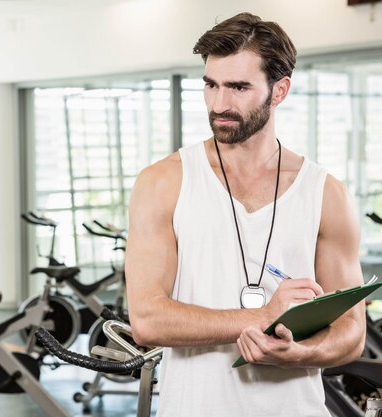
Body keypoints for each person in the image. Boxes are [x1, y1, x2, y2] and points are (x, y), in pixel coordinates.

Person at [125, 12, 366, 417]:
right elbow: (147, 319)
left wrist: (298, 353)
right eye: (211, 85)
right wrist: (263, 315)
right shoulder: (163, 182)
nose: (220, 104)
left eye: (238, 87)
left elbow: (351, 332)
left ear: (279, 90)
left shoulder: (326, 193)